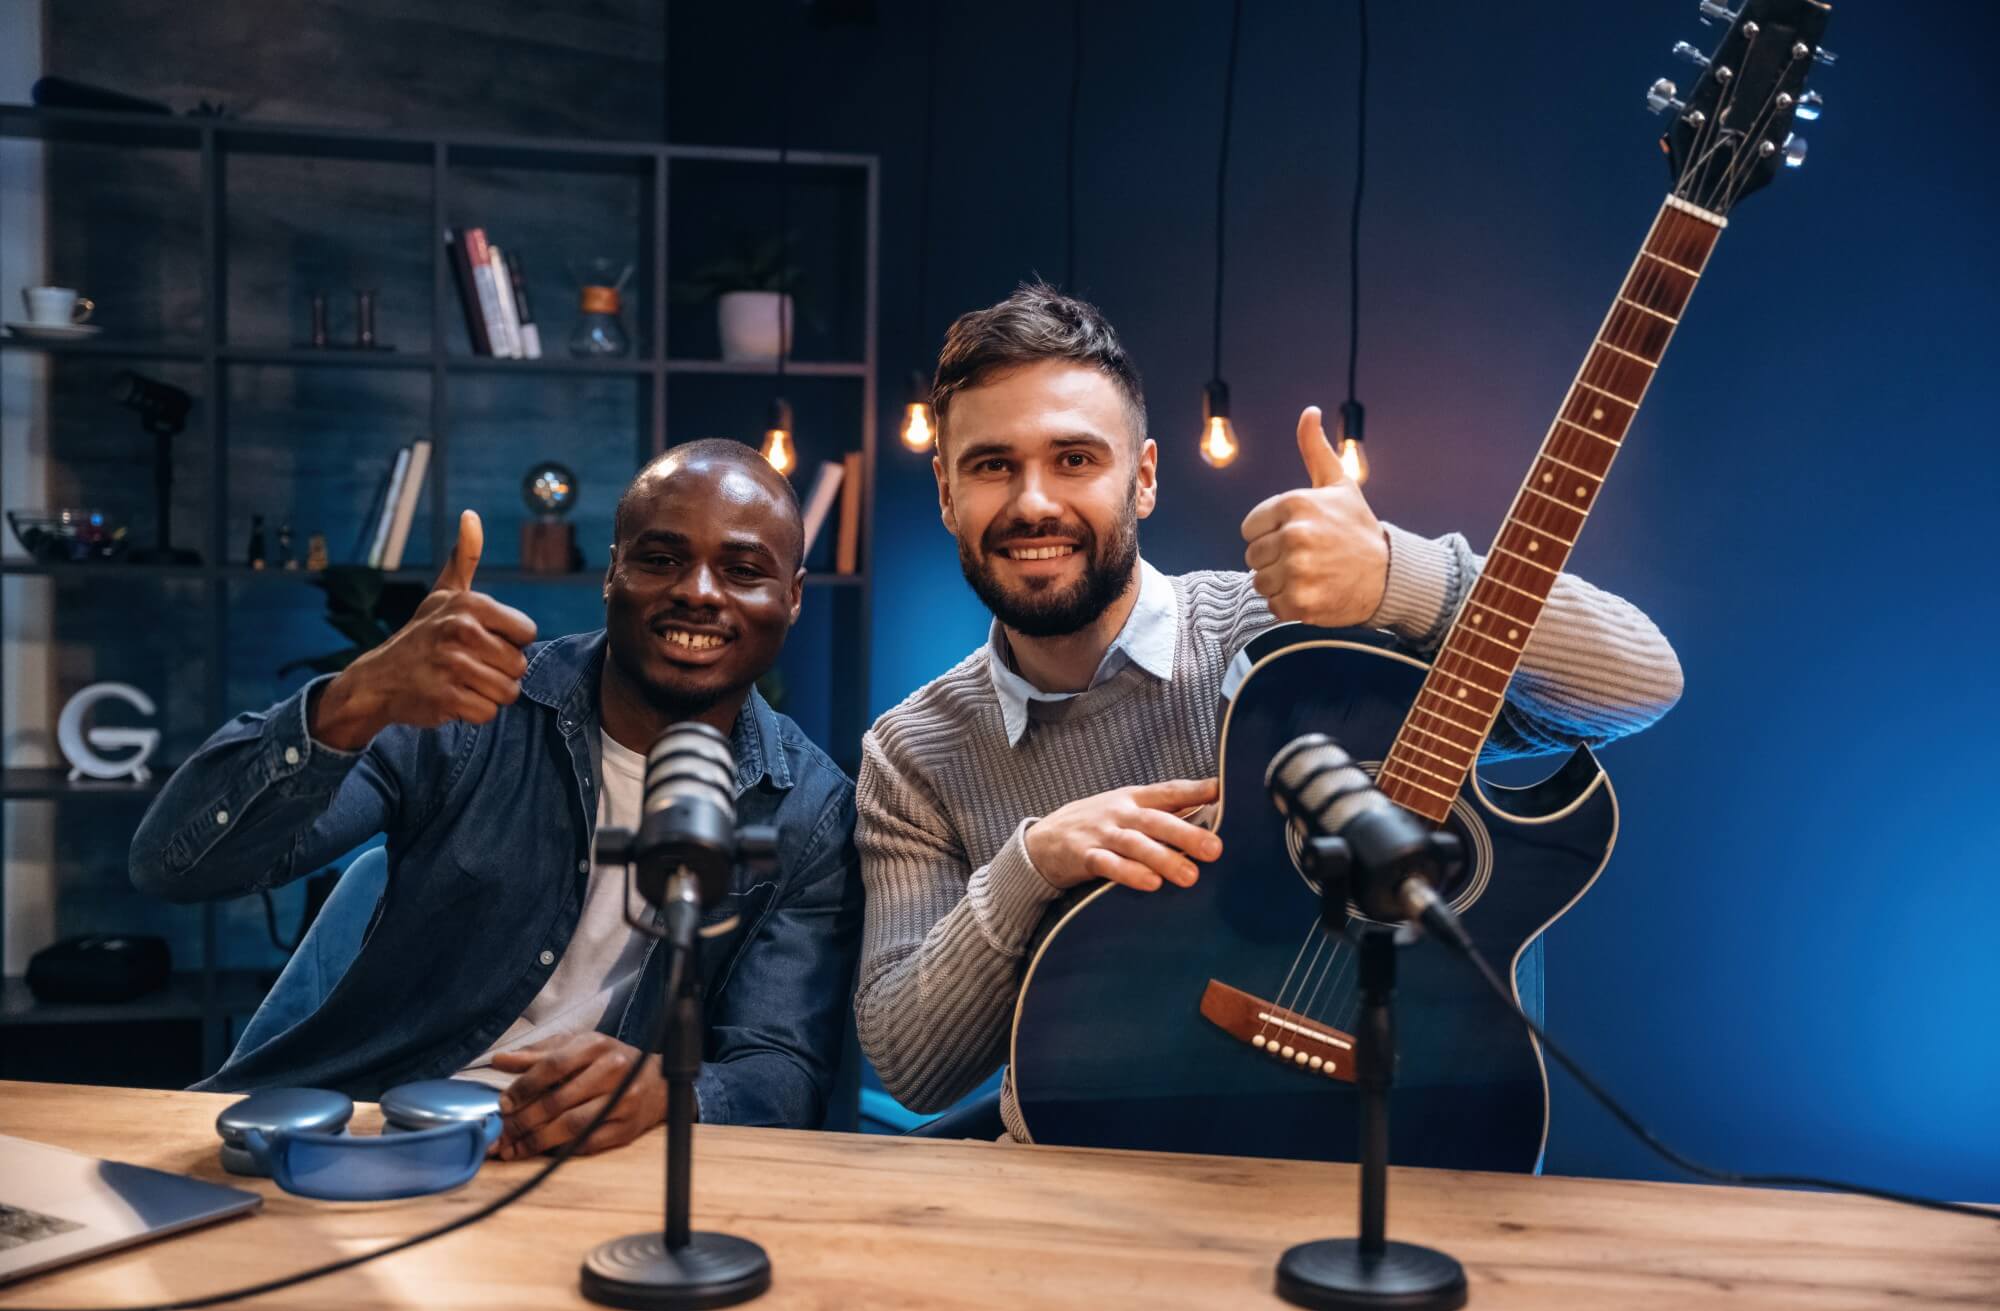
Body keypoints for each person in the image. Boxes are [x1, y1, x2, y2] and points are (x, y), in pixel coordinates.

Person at [854, 283, 1684, 1142]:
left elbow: (1641, 681)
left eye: (1075, 459)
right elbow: (914, 1068)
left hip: (1396, 1149)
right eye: (993, 464)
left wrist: (1402, 574)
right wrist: (1035, 862)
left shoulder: (1302, 630)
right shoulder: (913, 752)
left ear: (1141, 480)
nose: (1033, 502)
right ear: (949, 494)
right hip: (1087, 1180)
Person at [130, 438, 862, 1156]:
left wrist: (674, 1093)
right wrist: (355, 698)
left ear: (792, 596)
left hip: (580, 1171)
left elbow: (783, 1067)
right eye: (662, 558)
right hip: (362, 1137)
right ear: (613, 573)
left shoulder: (810, 812)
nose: (697, 591)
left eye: (741, 569)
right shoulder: (470, 708)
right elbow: (173, 864)